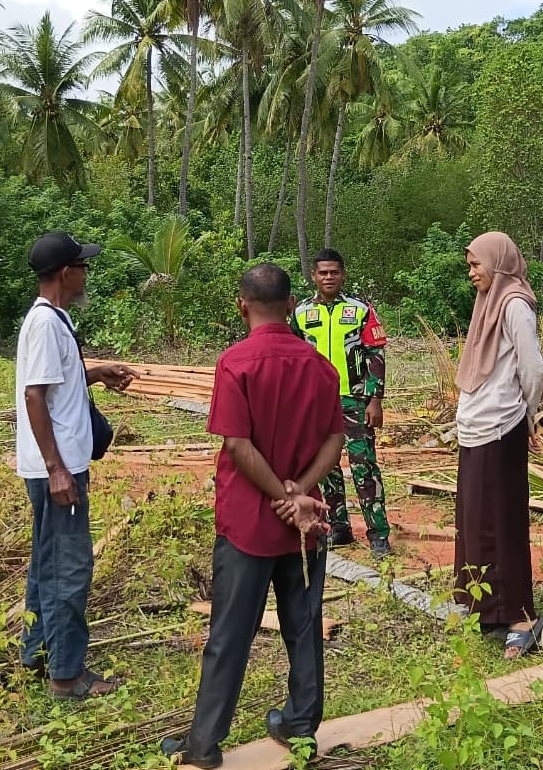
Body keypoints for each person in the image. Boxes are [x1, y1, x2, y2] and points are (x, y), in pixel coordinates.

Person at [163, 263, 345, 769]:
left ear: (242, 305)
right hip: (305, 523)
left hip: (249, 523)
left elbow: (238, 445)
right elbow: (335, 438)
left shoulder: (236, 364)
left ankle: (204, 744)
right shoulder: (320, 367)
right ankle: (301, 729)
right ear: (291, 305)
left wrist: (278, 497)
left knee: (230, 634)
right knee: (303, 624)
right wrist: (300, 492)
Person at [16, 231, 136, 700]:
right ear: (66, 273)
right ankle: (67, 676)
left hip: (53, 464)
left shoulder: (50, 318)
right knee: (69, 567)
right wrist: (57, 469)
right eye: (82, 266)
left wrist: (96, 372)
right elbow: (33, 395)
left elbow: (49, 379)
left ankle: (38, 655)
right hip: (57, 467)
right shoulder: (45, 323)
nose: (86, 273)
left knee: (47, 560)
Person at [454, 232, 543, 659]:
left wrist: (527, 413)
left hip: (502, 425)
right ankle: (482, 602)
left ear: (500, 261)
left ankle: (520, 615)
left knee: (502, 519)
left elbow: (533, 369)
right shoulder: (486, 303)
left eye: (477, 264)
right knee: (474, 516)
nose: (472, 273)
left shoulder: (514, 305)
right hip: (476, 425)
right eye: (470, 266)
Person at [291, 248, 392, 557]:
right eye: (323, 272)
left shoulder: (360, 310)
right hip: (318, 405)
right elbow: (294, 357)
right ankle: (339, 527)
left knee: (365, 469)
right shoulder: (301, 313)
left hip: (357, 402)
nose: (329, 277)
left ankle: (378, 534)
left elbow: (377, 355)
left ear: (343, 274)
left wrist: (376, 399)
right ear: (314, 276)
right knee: (327, 468)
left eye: (334, 272)